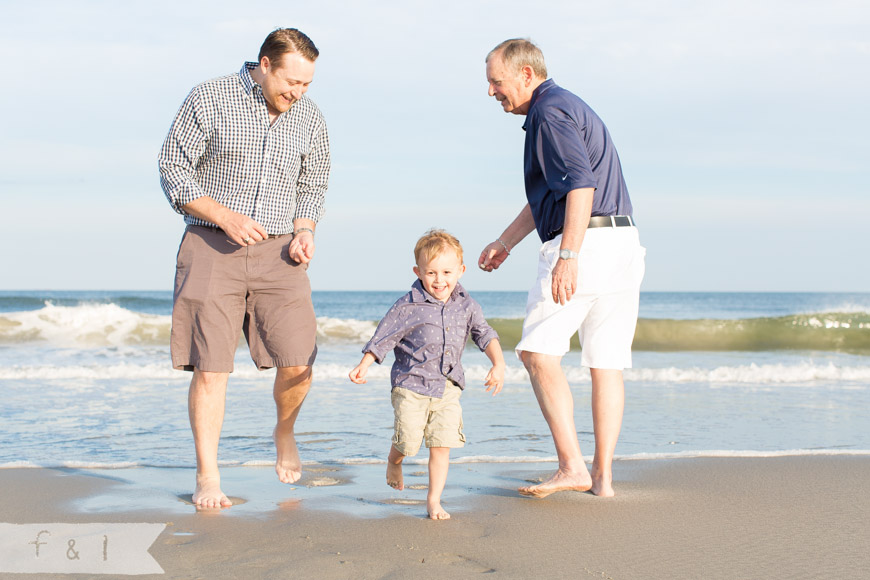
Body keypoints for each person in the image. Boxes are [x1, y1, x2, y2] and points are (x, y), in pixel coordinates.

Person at [158, 28, 330, 509]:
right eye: (291, 82)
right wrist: (223, 215)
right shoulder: (211, 97)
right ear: (265, 64)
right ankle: (208, 476)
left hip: (280, 253)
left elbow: (312, 182)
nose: (297, 93)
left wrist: (305, 230)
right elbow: (173, 167)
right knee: (211, 368)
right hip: (211, 246)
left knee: (299, 359)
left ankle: (284, 430)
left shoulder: (309, 117)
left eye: (306, 85)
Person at [479, 39, 645, 498]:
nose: (491, 92)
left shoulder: (548, 114)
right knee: (606, 364)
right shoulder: (567, 106)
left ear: (526, 75)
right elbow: (558, 190)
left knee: (536, 352)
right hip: (622, 241)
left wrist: (568, 256)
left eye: (497, 81)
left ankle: (572, 467)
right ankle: (603, 480)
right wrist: (505, 242)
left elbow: (580, 185)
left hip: (584, 242)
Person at [349, 229, 505, 520]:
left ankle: (434, 501)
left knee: (441, 445)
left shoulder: (467, 305)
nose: (439, 280)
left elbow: (484, 334)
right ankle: (394, 460)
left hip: (448, 387)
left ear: (461, 270)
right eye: (431, 272)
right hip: (411, 386)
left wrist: (498, 363)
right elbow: (384, 337)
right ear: (418, 271)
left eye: (446, 271)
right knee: (408, 441)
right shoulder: (408, 305)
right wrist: (365, 364)